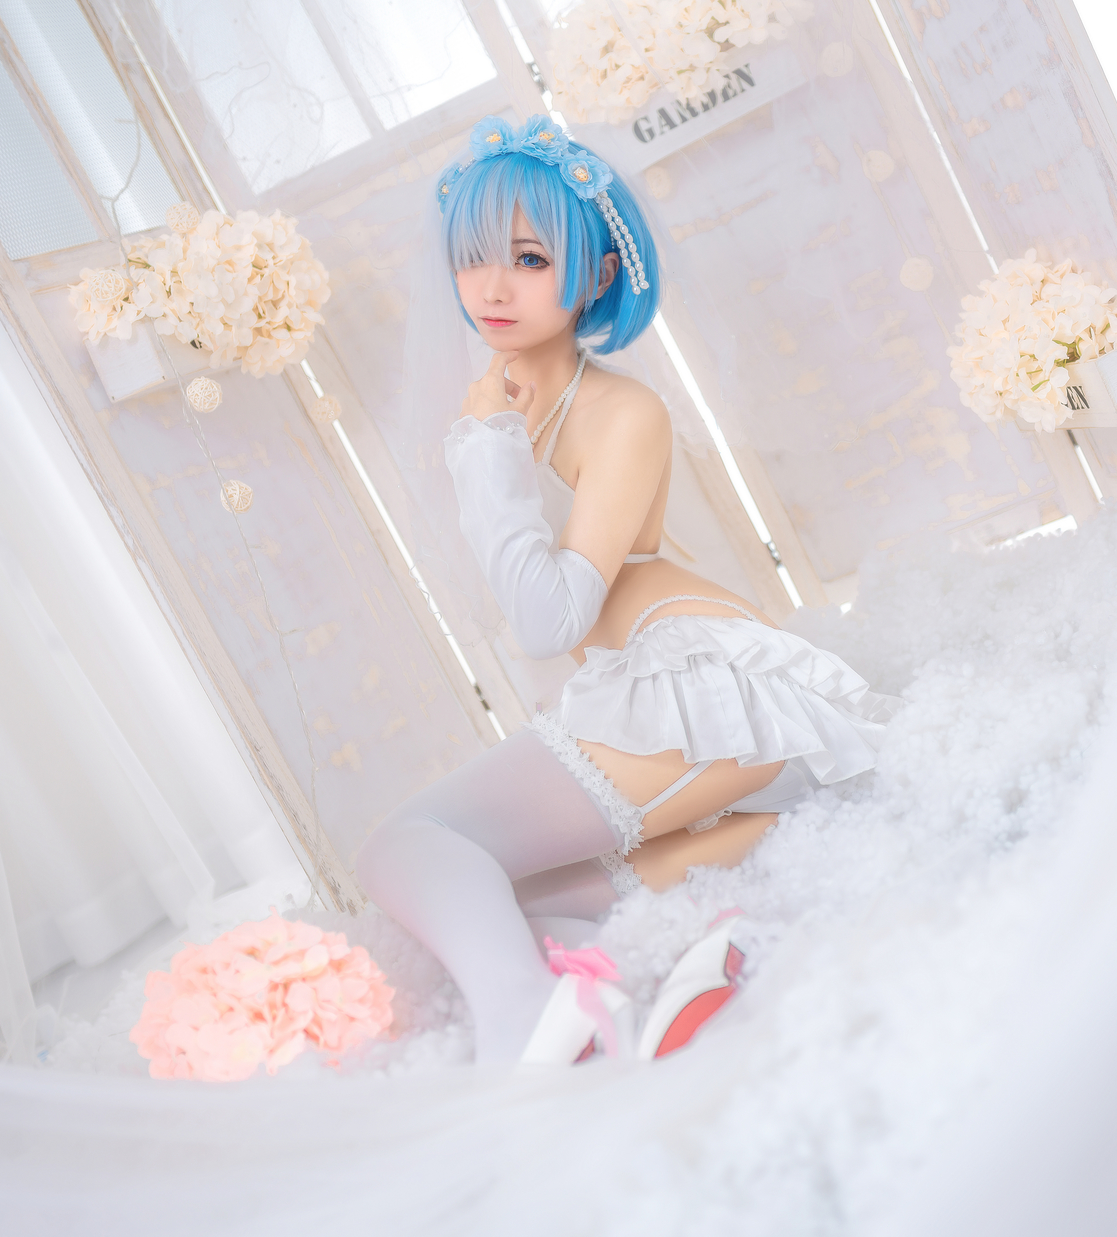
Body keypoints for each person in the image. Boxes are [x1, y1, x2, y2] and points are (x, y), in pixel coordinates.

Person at [354, 116, 896, 1066]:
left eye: (528, 258)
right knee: (498, 902)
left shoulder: (620, 411)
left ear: (597, 273)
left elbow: (546, 618)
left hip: (691, 687)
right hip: (655, 698)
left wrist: (488, 450)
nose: (491, 287)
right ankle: (683, 965)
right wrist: (490, 435)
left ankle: (527, 1020)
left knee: (403, 845)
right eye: (472, 258)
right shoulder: (504, 403)